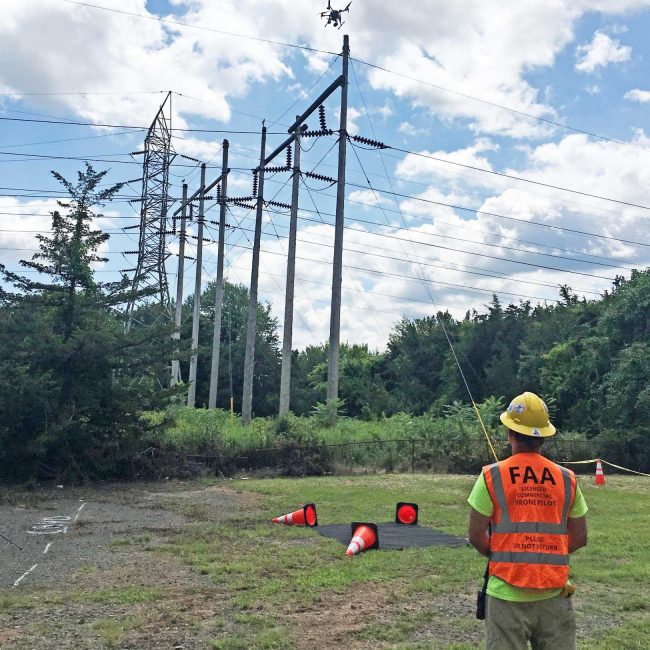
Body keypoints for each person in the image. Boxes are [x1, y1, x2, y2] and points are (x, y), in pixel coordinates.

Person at [467, 391, 588, 650]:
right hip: (555, 594)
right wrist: (546, 552)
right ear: (544, 436)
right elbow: (579, 537)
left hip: (504, 597)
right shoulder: (567, 479)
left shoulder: (491, 476)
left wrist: (502, 554)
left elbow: (476, 535)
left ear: (510, 433)